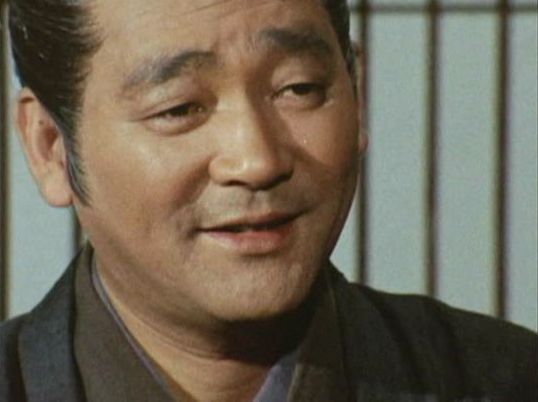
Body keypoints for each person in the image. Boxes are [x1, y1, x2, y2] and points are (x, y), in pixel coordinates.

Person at [0, 0, 536, 401]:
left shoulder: (506, 380)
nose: (256, 159)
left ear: (357, 93)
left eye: (299, 88)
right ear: (51, 148)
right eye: (179, 108)